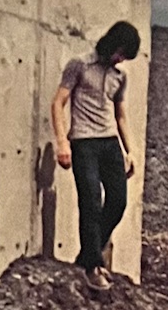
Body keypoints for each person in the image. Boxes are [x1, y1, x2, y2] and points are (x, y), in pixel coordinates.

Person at [51, 21, 141, 292]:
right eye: (120, 52)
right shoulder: (79, 65)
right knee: (90, 201)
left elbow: (121, 116)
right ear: (112, 43)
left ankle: (87, 256)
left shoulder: (119, 76)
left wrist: (130, 150)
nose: (121, 59)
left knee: (118, 201)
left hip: (110, 142)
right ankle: (92, 267)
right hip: (83, 142)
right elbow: (58, 103)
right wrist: (62, 143)